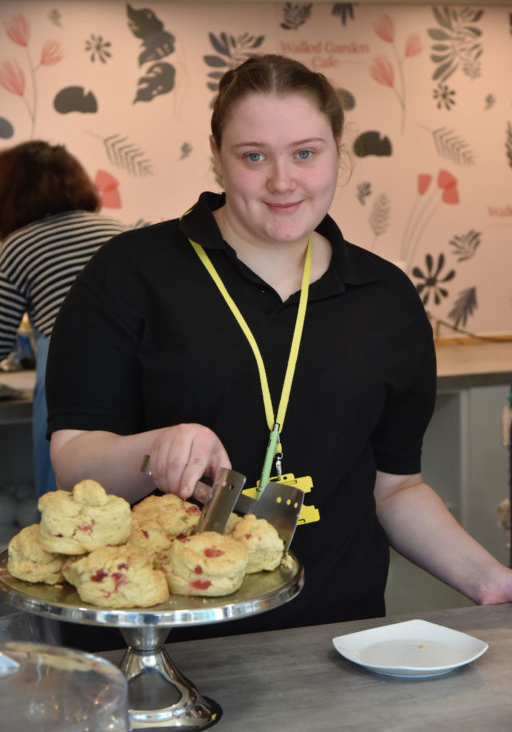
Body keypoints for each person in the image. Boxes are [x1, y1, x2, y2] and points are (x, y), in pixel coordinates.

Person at [46, 55, 512, 641]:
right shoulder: (131, 273)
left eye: (306, 153)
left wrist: (491, 580)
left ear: (340, 153)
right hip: (160, 643)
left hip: (338, 637)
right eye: (254, 156)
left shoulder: (385, 296)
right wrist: (155, 448)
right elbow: (74, 458)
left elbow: (397, 489)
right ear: (217, 157)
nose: (283, 181)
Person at [0, 140, 126, 498]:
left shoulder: (19, 244)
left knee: (66, 492)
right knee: (127, 482)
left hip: (68, 365)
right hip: (135, 362)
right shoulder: (119, 230)